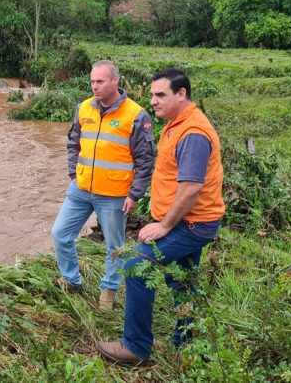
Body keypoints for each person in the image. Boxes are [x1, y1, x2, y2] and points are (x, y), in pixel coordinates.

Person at [96, 68, 225, 363]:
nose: (152, 101)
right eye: (152, 95)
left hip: (191, 224)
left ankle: (136, 347)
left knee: (136, 266)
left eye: (160, 95)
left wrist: (164, 225)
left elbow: (191, 188)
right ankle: (187, 343)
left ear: (181, 94)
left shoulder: (193, 133)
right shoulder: (178, 123)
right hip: (189, 220)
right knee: (182, 280)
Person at [51, 60, 154, 310]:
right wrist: (73, 174)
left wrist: (134, 194)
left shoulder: (136, 115)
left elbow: (145, 160)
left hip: (114, 194)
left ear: (115, 81)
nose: (94, 86)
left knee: (114, 246)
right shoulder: (84, 108)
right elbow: (73, 144)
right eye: (92, 82)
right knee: (60, 234)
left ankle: (109, 290)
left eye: (100, 81)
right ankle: (71, 280)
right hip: (81, 188)